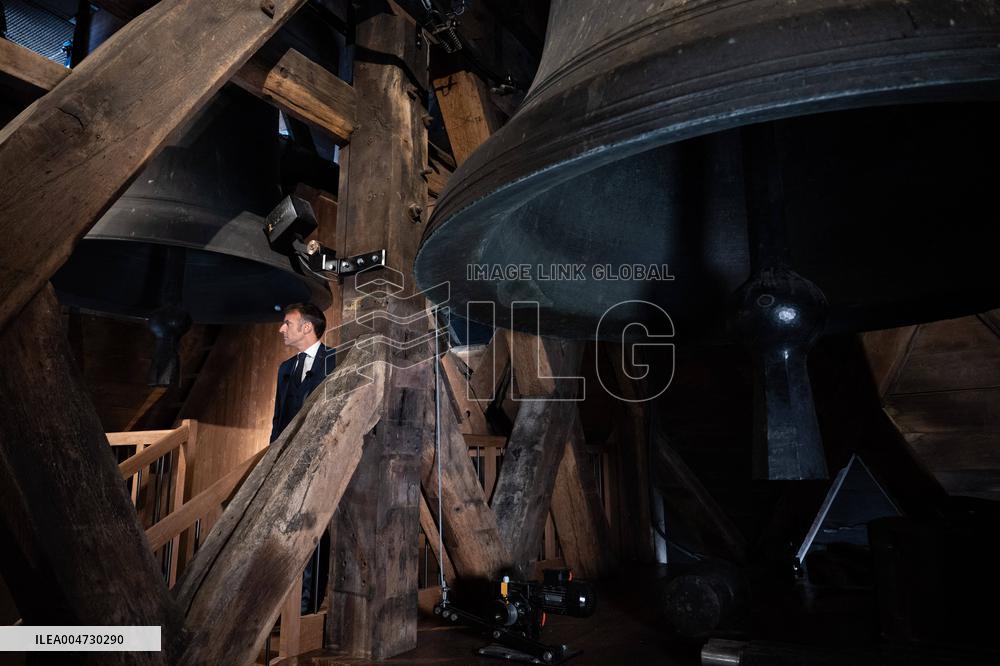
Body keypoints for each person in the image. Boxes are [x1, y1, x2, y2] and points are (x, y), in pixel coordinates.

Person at [270, 302, 335, 613]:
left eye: (287, 323)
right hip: (286, 465)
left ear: (307, 327)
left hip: (323, 465)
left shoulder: (336, 360)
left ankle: (308, 606)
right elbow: (277, 421)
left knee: (316, 532)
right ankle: (286, 604)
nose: (282, 329)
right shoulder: (286, 369)